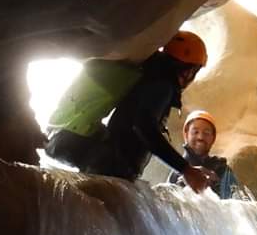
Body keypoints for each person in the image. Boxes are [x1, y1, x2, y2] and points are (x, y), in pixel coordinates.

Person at [43, 30, 217, 193]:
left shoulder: (149, 78)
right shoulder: (163, 85)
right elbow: (144, 126)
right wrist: (185, 169)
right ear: (188, 69)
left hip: (106, 163)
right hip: (112, 167)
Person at [168, 110, 240, 199]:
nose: (200, 137)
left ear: (213, 138)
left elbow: (236, 204)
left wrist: (216, 186)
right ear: (186, 134)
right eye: (195, 132)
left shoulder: (222, 170)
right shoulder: (177, 171)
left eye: (206, 133)